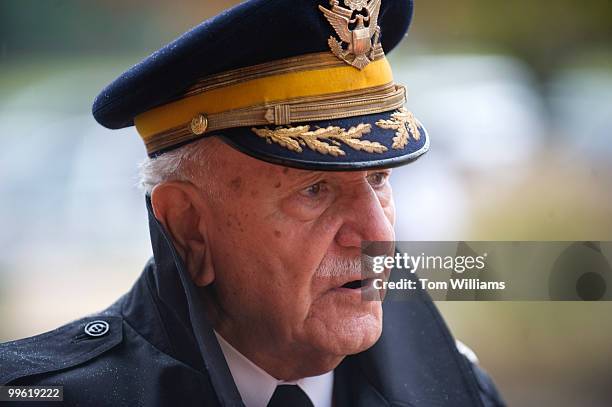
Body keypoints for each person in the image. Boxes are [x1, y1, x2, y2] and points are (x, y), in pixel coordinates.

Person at [0, 0, 505, 405]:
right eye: (314, 190)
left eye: (378, 180)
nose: (377, 233)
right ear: (189, 226)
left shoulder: (459, 386)